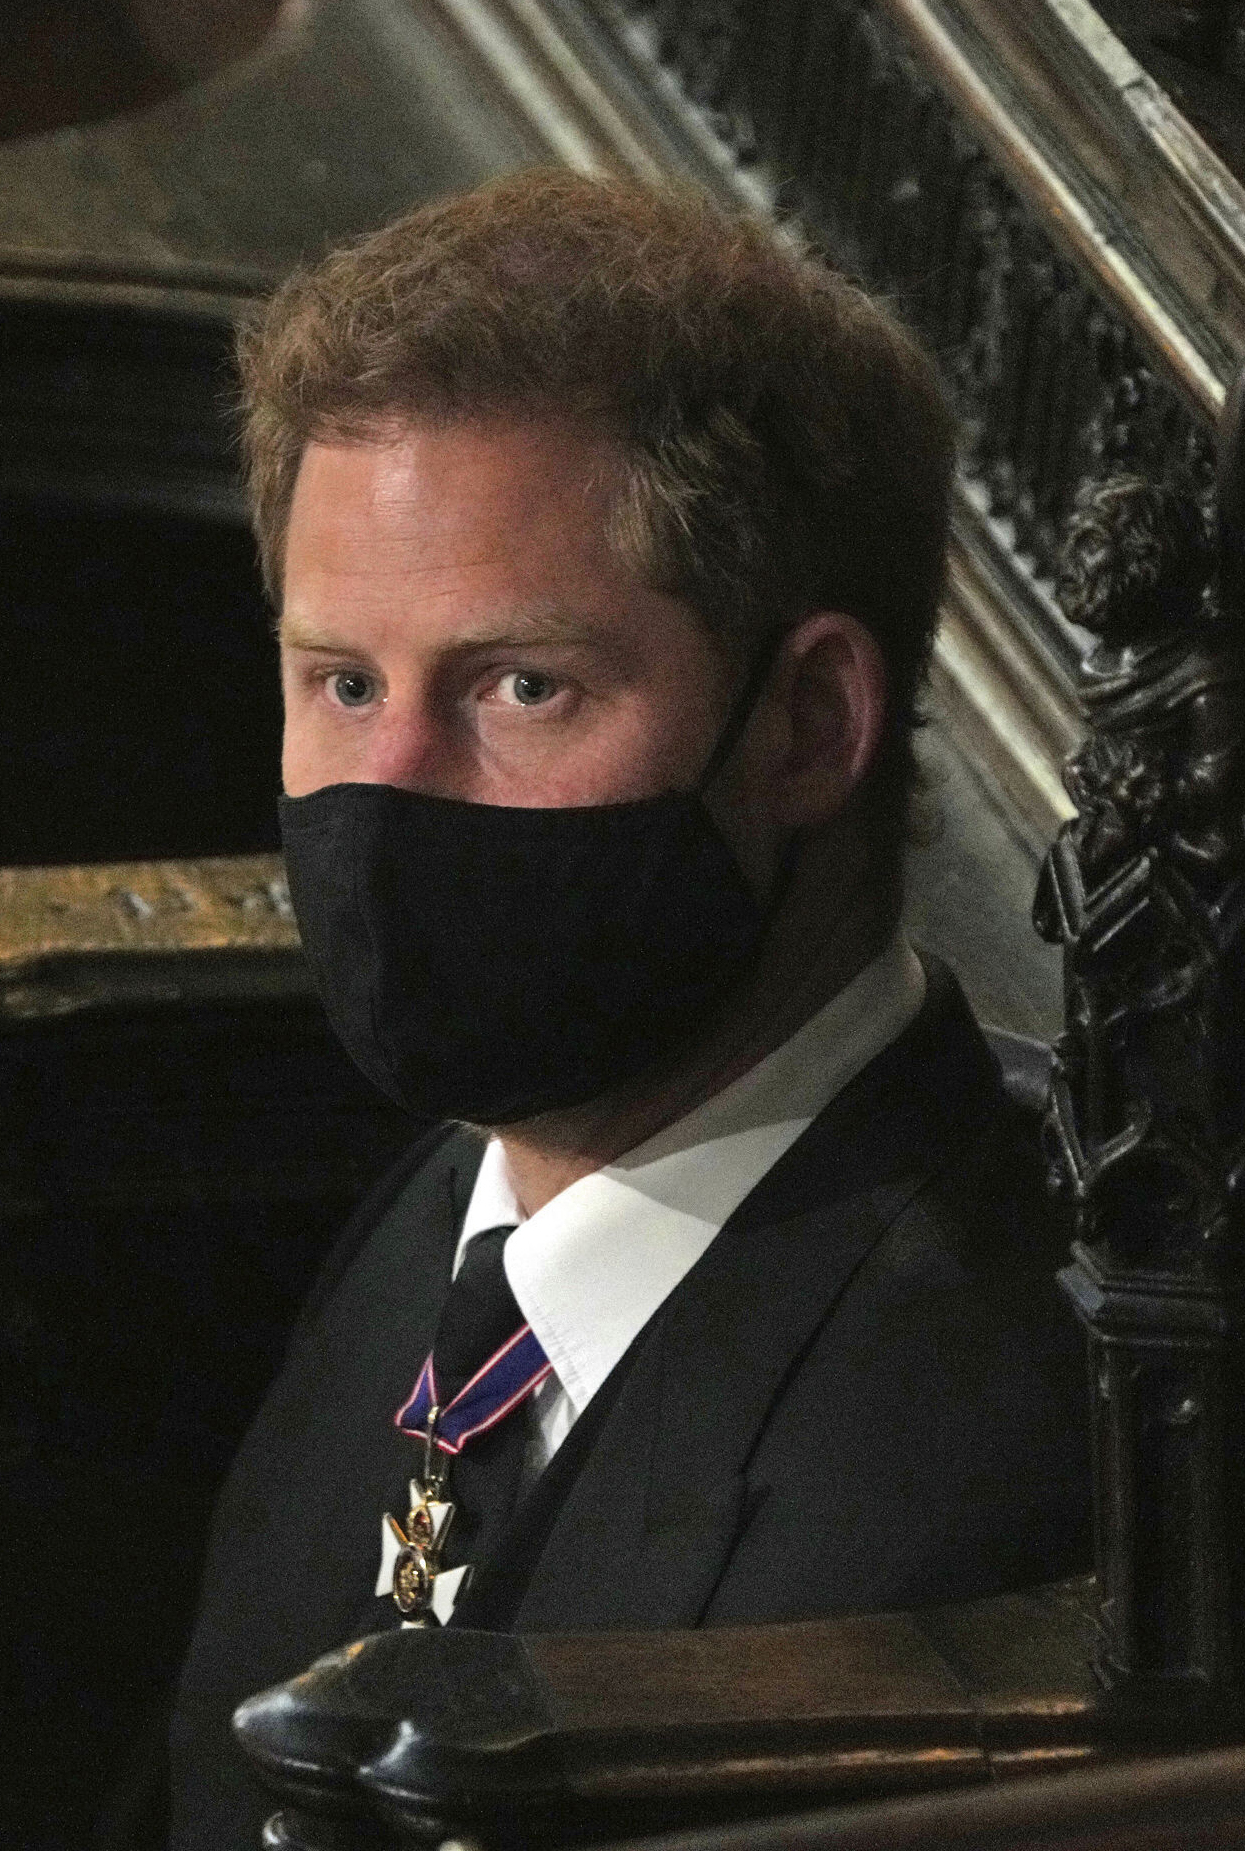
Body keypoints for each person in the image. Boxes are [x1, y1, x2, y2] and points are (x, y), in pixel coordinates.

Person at [169, 169, 1090, 1846]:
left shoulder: (944, 1484)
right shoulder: (457, 1212)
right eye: (343, 683)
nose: (386, 796)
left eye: (523, 687)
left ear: (808, 724)